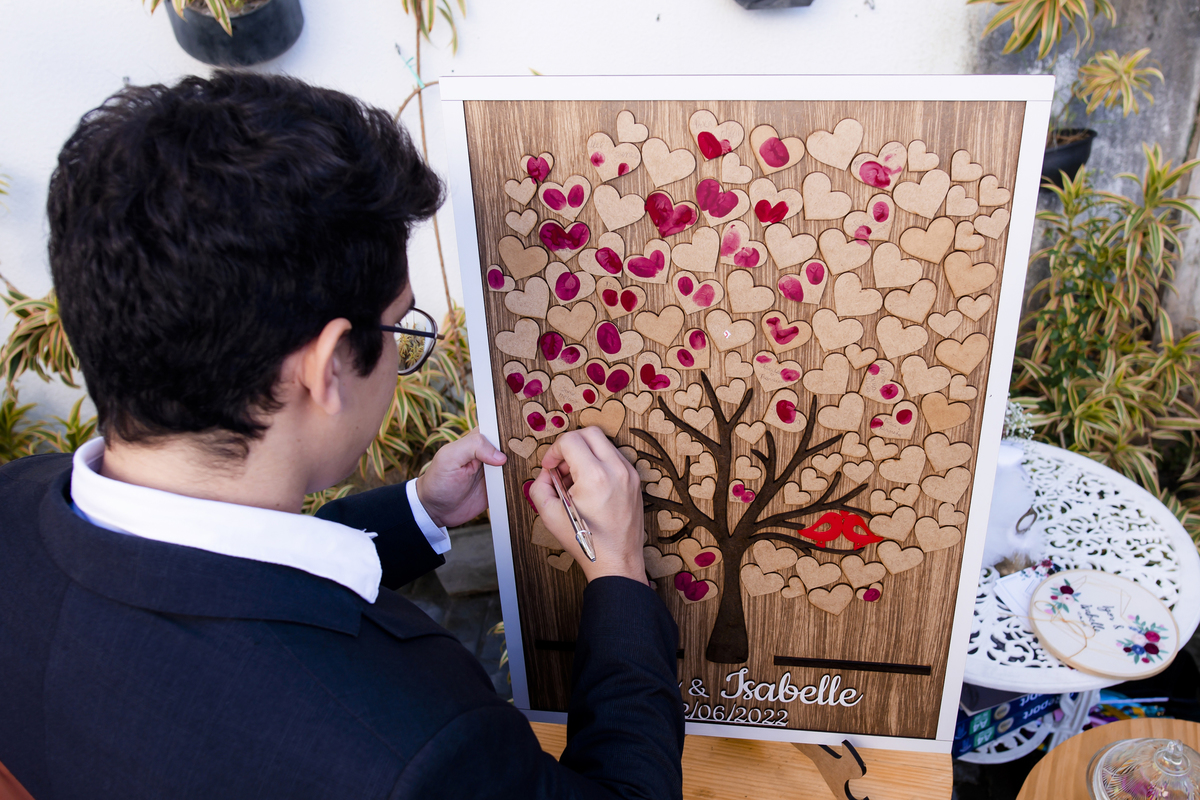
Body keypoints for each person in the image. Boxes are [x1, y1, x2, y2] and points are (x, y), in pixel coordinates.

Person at [0, 71, 683, 799]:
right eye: (399, 327)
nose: (399, 351)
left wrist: (418, 508)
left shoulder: (16, 503)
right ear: (327, 368)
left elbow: (215, 580)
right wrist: (617, 569)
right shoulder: (416, 750)